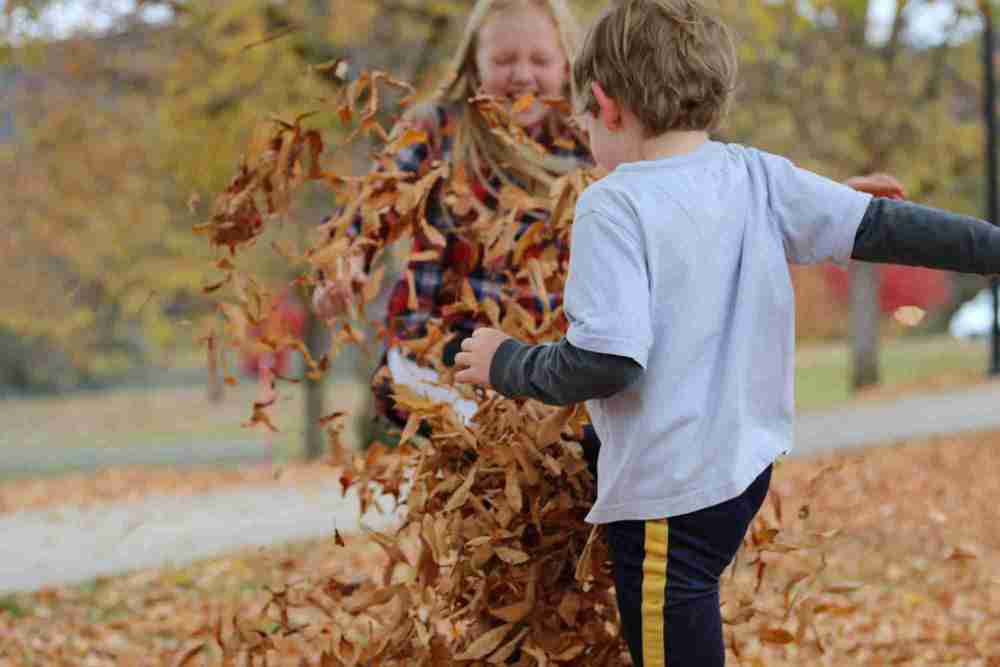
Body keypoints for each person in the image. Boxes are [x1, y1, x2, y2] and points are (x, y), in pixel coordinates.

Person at [453, 1, 1000, 665]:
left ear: (607, 102)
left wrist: (506, 360)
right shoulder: (756, 175)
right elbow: (885, 227)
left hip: (669, 500)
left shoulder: (613, 202)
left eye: (585, 120)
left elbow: (608, 361)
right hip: (738, 476)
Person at [312, 0, 903, 459]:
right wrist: (345, 267)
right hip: (450, 358)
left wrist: (825, 200)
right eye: (503, 61)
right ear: (472, 67)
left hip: (547, 362)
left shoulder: (594, 136)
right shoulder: (436, 130)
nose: (522, 76)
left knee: (562, 524)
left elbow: (701, 177)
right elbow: (365, 217)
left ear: (567, 65)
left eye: (539, 62)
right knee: (482, 514)